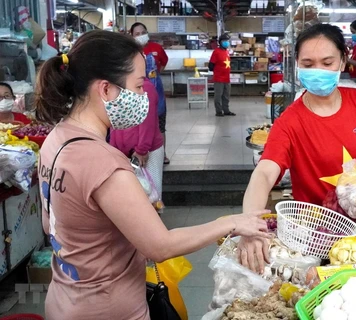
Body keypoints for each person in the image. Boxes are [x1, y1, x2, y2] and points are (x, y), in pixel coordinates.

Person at [35, 30, 269, 320]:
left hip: (64, 298)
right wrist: (231, 222)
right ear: (105, 90)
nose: (144, 95)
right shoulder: (103, 162)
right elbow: (160, 245)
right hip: (108, 309)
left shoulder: (56, 139)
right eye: (137, 85)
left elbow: (51, 224)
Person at [238, 24, 356, 272]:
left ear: (342, 61)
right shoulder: (290, 122)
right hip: (318, 238)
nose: (318, 70)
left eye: (327, 63)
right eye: (308, 64)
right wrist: (250, 224)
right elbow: (264, 173)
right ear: (297, 64)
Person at [110, 78, 164, 203]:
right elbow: (113, 122)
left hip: (147, 151)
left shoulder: (146, 88)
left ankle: (153, 221)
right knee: (132, 196)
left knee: (152, 196)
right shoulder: (117, 87)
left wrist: (142, 149)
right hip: (123, 153)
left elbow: (147, 122)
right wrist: (113, 149)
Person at [130, 22, 170, 164]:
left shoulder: (156, 48)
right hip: (137, 96)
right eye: (137, 34)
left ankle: (162, 154)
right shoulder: (130, 52)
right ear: (132, 36)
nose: (141, 36)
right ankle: (138, 152)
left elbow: (164, 62)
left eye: (143, 32)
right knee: (141, 126)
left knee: (160, 126)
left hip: (157, 95)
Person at [209, 33, 236, 117]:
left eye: (227, 41)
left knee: (226, 96)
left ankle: (226, 110)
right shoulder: (216, 52)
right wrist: (218, 71)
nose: (226, 43)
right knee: (218, 96)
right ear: (220, 42)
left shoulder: (227, 52)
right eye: (224, 41)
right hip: (219, 78)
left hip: (226, 78)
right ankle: (219, 111)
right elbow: (211, 65)